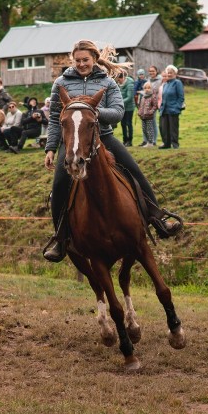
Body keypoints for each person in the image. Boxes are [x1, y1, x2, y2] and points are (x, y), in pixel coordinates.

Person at [42, 39, 183, 262]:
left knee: (134, 170)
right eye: (77, 60)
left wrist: (93, 112)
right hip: (72, 142)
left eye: (85, 60)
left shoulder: (107, 82)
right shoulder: (61, 82)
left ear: (94, 59)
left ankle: (158, 218)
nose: (81, 64)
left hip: (103, 137)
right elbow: (54, 119)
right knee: (59, 184)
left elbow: (117, 112)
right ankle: (60, 238)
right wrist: (51, 148)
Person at [158, 65, 184, 149]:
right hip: (164, 109)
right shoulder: (165, 84)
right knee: (164, 128)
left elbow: (181, 97)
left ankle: (175, 144)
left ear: (175, 73)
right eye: (168, 73)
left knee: (173, 128)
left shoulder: (177, 83)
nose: (169, 74)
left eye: (171, 73)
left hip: (173, 109)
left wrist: (177, 107)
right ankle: (166, 143)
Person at [136, 81, 157, 148]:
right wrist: (139, 111)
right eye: (145, 88)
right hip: (143, 116)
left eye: (148, 88)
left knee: (149, 129)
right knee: (144, 129)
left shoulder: (152, 96)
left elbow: (155, 106)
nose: (147, 89)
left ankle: (151, 142)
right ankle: (147, 141)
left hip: (149, 116)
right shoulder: (143, 96)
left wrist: (151, 111)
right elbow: (141, 105)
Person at [116, 71, 135, 146]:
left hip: (129, 108)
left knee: (128, 123)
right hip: (122, 108)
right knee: (123, 124)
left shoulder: (129, 84)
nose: (118, 81)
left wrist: (120, 102)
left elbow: (129, 97)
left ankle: (130, 141)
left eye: (119, 79)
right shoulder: (119, 84)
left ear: (123, 78)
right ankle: (125, 140)